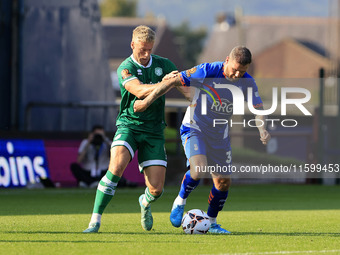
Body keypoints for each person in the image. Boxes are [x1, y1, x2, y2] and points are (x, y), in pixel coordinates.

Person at [133, 46, 271, 234]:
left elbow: (258, 109)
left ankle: (212, 223)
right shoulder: (207, 70)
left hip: (219, 136)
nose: (238, 74)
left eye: (243, 71)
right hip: (194, 127)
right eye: (235, 69)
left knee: (223, 183)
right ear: (227, 60)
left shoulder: (247, 82)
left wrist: (261, 128)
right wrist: (146, 101)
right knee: (198, 169)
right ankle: (180, 201)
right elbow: (173, 81)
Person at [83, 25, 177, 233]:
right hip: (129, 125)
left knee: (157, 190)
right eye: (142, 49)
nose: (145, 54)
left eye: (149, 50)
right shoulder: (125, 67)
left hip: (154, 131)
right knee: (116, 167)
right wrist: (165, 84)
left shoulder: (163, 64)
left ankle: (144, 201)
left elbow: (184, 84)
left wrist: (192, 96)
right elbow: (139, 91)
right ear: (132, 44)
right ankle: (95, 221)